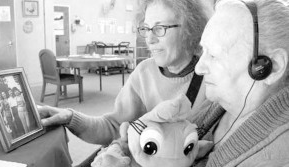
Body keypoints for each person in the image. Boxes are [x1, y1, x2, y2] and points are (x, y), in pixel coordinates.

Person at [39, 0, 210, 145]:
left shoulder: (212, 78)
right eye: (146, 28)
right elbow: (113, 126)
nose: (149, 39)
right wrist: (70, 117)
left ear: (190, 29)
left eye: (159, 28)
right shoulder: (144, 72)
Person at [193, 0, 289, 166]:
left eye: (214, 55)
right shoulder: (218, 105)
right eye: (204, 51)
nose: (198, 68)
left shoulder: (279, 155)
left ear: (272, 67)